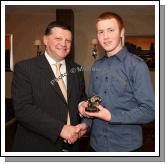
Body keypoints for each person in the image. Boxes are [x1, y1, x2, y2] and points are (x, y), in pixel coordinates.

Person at [78, 12, 155, 152]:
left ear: (121, 32)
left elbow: (149, 111)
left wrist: (111, 116)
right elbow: (93, 104)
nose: (105, 37)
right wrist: (85, 124)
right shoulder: (96, 66)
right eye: (101, 32)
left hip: (126, 148)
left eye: (111, 30)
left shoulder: (137, 65)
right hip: (96, 146)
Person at [12, 21, 87, 152]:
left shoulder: (77, 69)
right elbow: (23, 109)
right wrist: (60, 129)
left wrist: (84, 120)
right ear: (45, 40)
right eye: (58, 38)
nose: (63, 44)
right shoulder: (24, 68)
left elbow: (81, 98)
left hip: (73, 146)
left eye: (68, 40)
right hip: (37, 148)